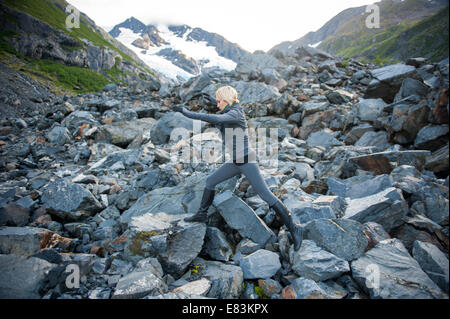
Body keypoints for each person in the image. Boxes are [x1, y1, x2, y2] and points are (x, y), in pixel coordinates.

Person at [172, 86, 303, 251]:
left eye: (220, 101)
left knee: (265, 195)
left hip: (247, 161)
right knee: (210, 181)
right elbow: (222, 113)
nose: (217, 104)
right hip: (235, 161)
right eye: (217, 101)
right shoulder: (230, 109)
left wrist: (186, 112)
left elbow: (217, 119)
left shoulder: (235, 113)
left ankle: (294, 228)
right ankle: (201, 215)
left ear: (226, 101)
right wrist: (214, 102)